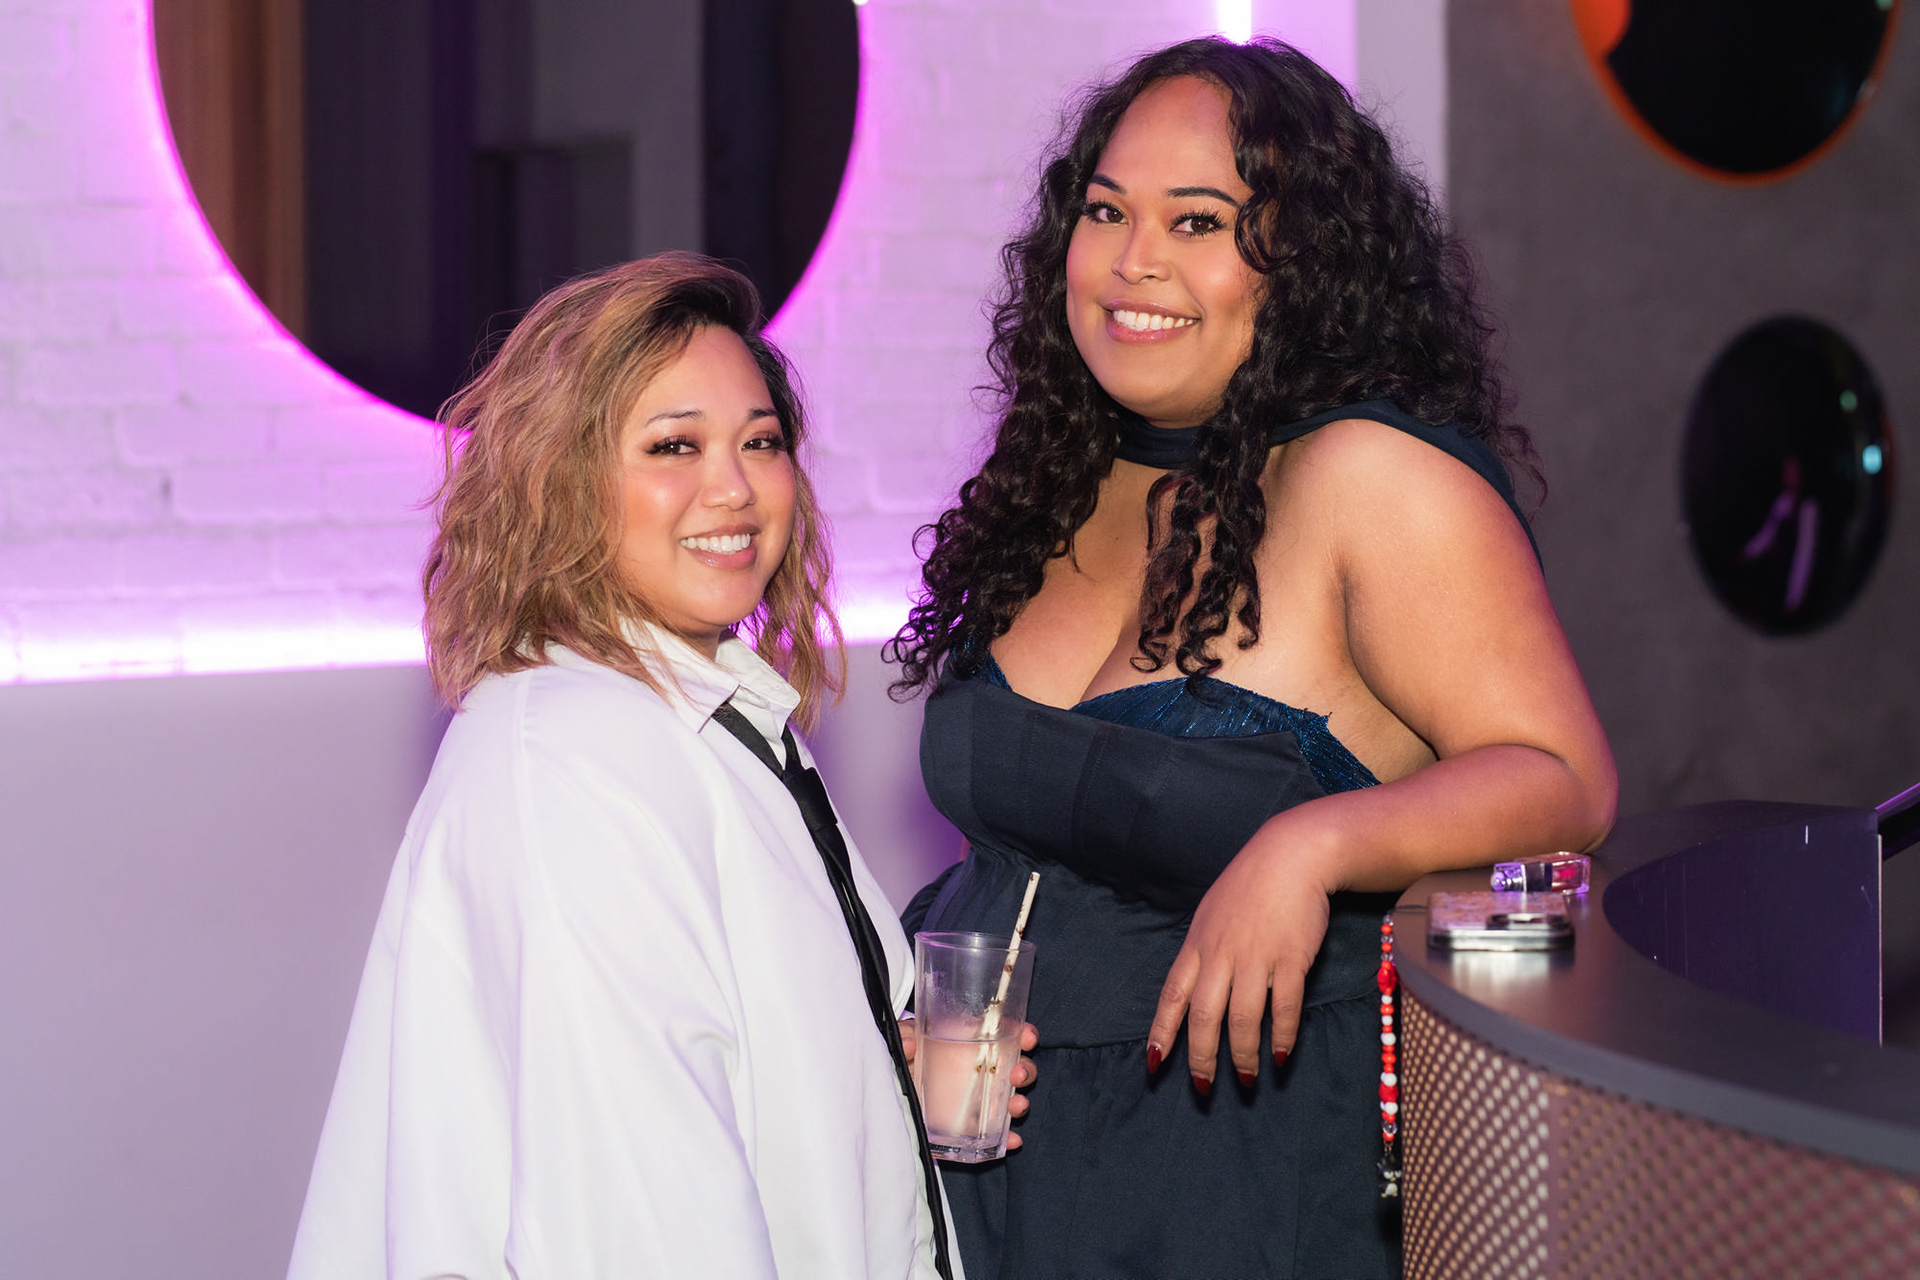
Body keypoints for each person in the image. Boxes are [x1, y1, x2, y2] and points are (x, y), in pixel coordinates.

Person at [888, 37, 1618, 1279]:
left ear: (1306, 257)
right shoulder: (1059, 476)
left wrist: (1310, 845)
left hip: (1241, 1184)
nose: (1135, 259)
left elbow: (1565, 780)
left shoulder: (1369, 478)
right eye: (1106, 210)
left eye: (1199, 221)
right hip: (994, 1180)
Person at [286, 253, 1030, 1278]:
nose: (734, 487)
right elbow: (642, 1215)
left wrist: (881, 1079)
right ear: (562, 483)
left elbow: (731, 1058)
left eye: (760, 441)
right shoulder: (577, 762)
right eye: (674, 445)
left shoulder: (703, 719)